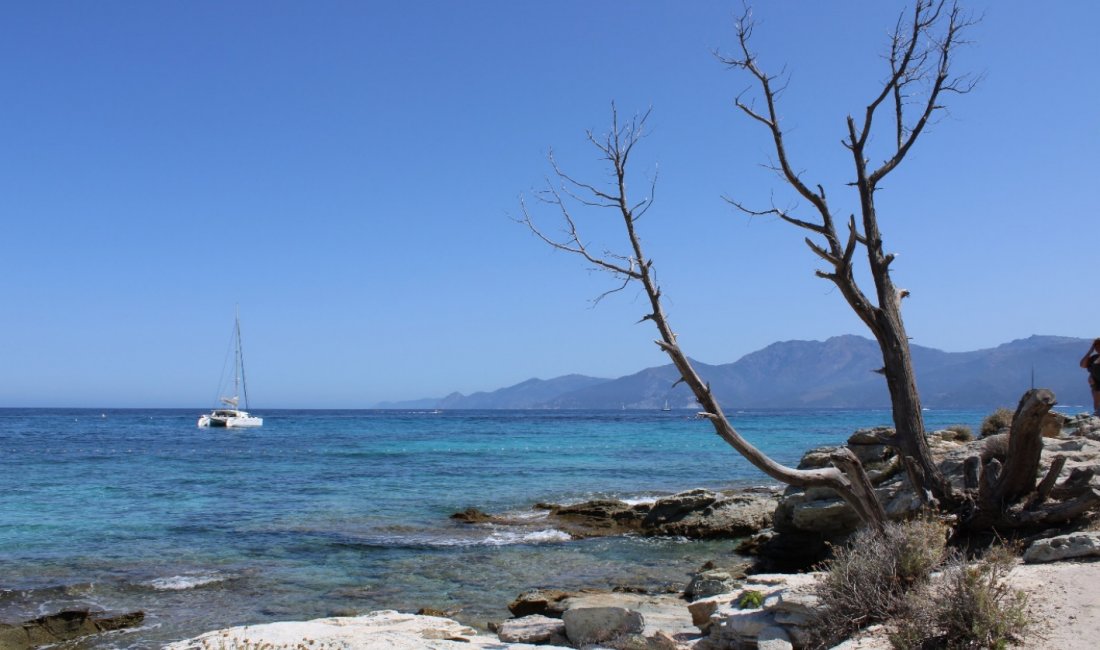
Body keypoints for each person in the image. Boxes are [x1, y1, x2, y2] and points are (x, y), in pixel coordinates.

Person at [1081, 338, 1100, 416]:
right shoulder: (1093, 358)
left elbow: (1096, 364)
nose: (1097, 348)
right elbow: (1082, 365)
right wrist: (1090, 352)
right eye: (1096, 346)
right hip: (1096, 385)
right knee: (1097, 406)